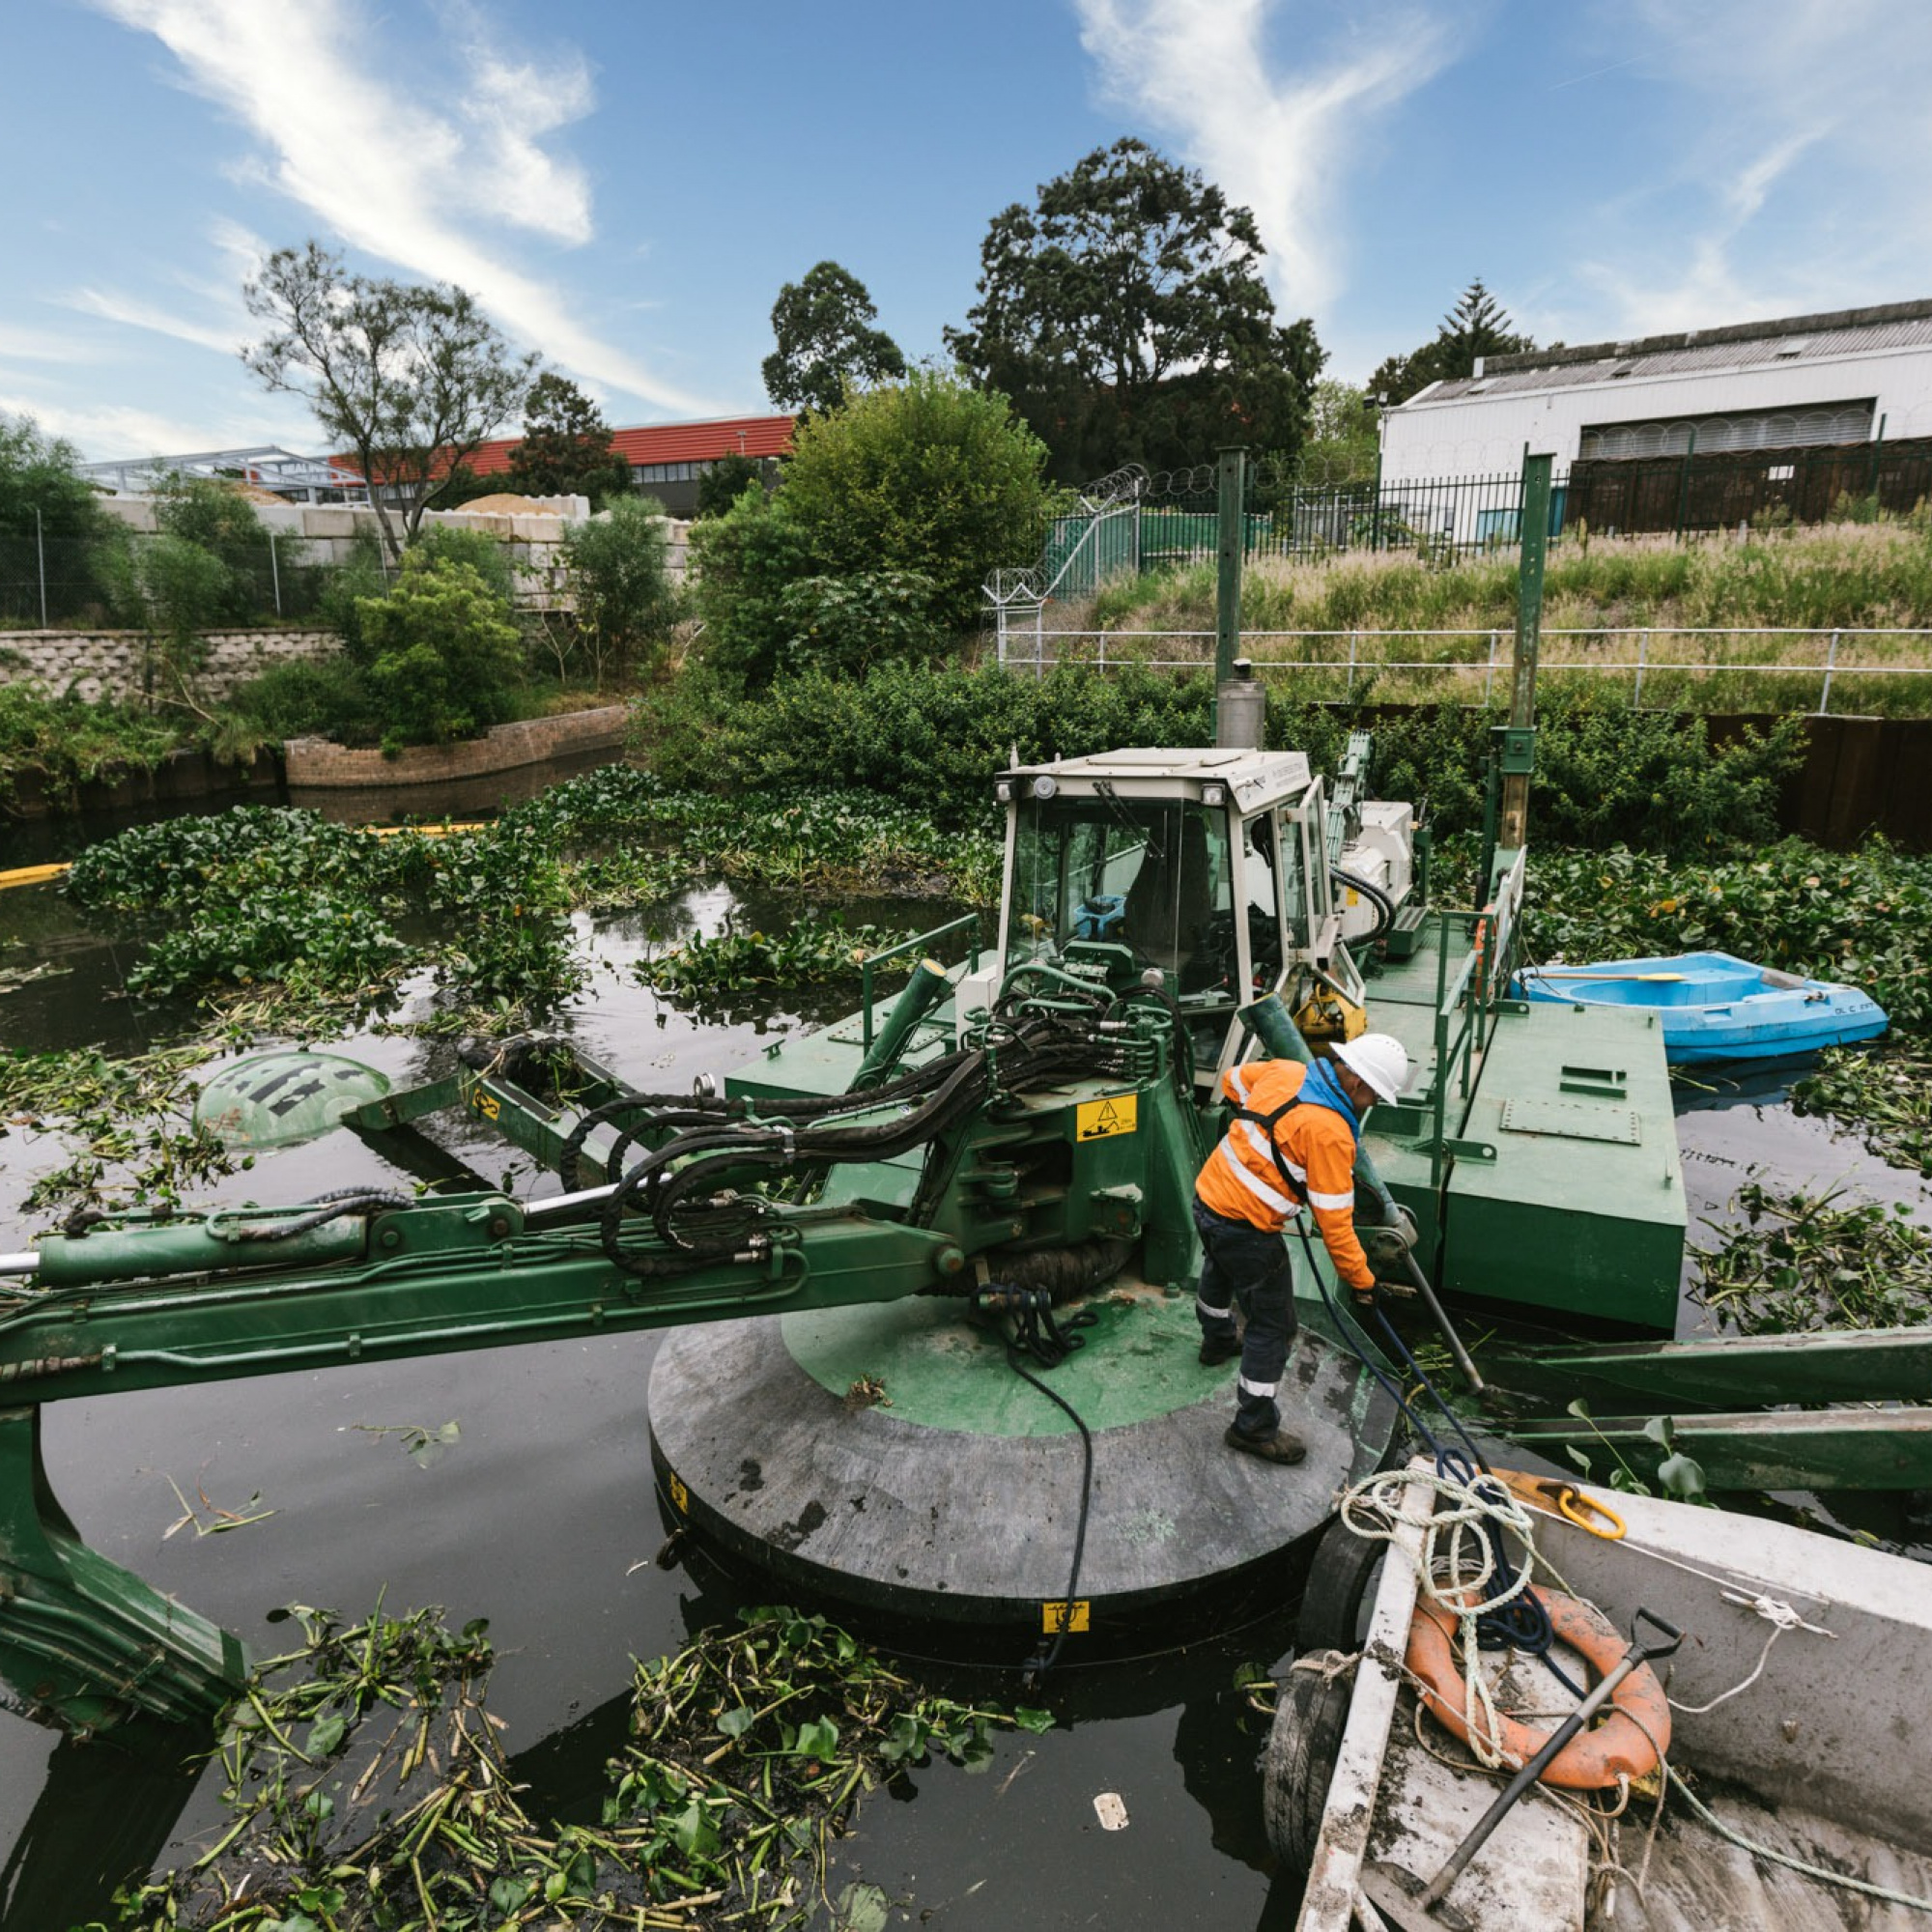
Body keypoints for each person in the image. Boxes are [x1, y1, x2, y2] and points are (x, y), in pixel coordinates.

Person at [1192, 1033, 1411, 1464]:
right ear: (1356, 1084)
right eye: (1375, 1097)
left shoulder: (1287, 1071)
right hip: (1249, 1229)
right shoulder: (1331, 1134)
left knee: (1217, 1269)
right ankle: (1253, 1428)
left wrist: (1266, 1145)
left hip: (1208, 1197)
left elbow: (1234, 1082)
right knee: (1273, 1326)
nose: (1373, 1105)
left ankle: (1216, 1340)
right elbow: (1335, 1226)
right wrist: (1364, 1281)